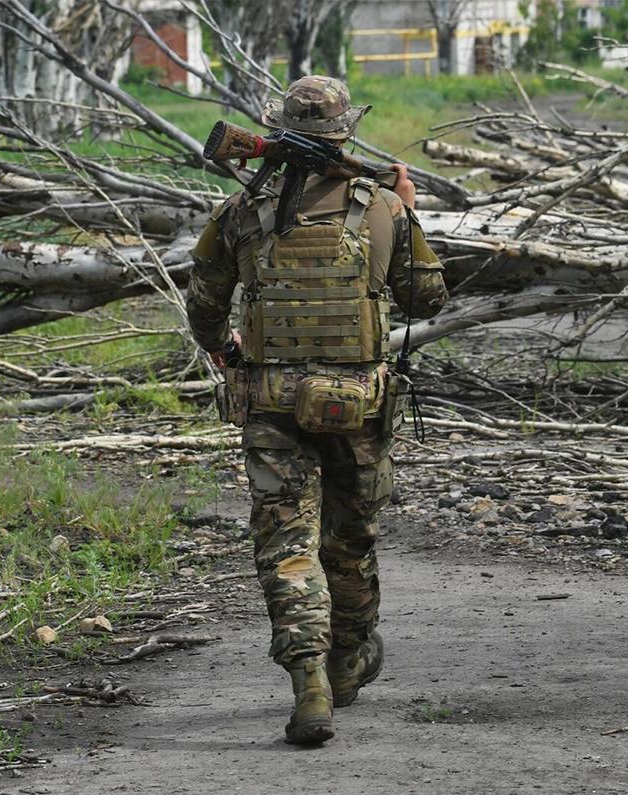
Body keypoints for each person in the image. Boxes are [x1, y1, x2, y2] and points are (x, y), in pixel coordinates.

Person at [186, 75, 448, 745]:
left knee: (287, 550)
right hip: (358, 406)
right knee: (350, 544)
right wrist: (409, 211)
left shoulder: (241, 209)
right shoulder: (382, 206)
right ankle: (349, 661)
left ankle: (310, 687)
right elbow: (426, 301)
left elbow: (205, 308)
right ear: (342, 131)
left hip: (273, 408)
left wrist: (224, 348)